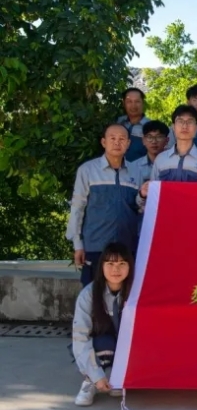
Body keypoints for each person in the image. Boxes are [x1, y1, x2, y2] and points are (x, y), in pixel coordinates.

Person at [66, 123, 144, 287]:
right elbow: (78, 208)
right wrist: (78, 245)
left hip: (127, 247)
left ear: (128, 143)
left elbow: (139, 208)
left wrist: (143, 196)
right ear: (103, 142)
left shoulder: (137, 172)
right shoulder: (87, 170)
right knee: (93, 293)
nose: (117, 142)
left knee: (126, 294)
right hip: (95, 245)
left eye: (122, 139)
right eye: (112, 138)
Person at [72, 242, 135, 406]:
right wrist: (96, 375)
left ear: (130, 266)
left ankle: (118, 376)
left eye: (122, 264)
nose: (116, 269)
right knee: (103, 342)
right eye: (110, 264)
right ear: (102, 266)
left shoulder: (137, 292)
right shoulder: (88, 295)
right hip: (103, 343)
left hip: (127, 345)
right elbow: (80, 336)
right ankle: (90, 380)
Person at [149, 105, 197, 183]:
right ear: (173, 127)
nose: (185, 126)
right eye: (180, 121)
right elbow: (153, 189)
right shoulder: (161, 159)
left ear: (196, 127)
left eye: (190, 122)